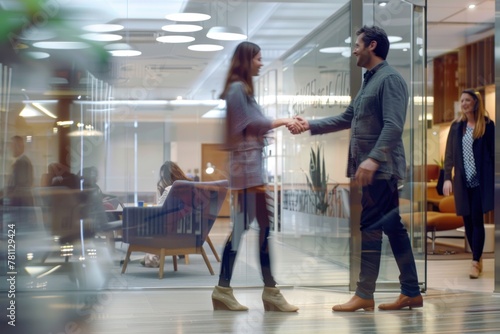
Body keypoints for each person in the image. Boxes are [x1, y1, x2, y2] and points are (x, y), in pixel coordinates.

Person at [287, 25, 423, 312]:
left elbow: (394, 126)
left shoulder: (390, 80)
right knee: (392, 228)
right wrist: (310, 124)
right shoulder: (369, 81)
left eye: (357, 44)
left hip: (381, 169)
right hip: (373, 169)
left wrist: (373, 159)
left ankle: (366, 294)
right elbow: (347, 117)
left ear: (372, 46)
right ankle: (409, 291)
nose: (354, 50)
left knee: (373, 227)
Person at [211, 41, 297, 312]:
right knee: (255, 230)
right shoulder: (238, 89)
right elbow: (249, 124)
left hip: (250, 173)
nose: (261, 63)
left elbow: (251, 126)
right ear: (247, 61)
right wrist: (282, 121)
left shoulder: (243, 90)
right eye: (258, 59)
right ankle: (259, 291)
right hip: (247, 175)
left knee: (254, 229)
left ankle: (234, 289)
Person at [442, 89, 494, 279]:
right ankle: (477, 257)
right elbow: (448, 155)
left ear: (475, 102)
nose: (464, 103)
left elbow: (494, 154)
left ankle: (474, 262)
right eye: (462, 100)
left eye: (467, 100)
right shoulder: (456, 127)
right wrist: (447, 177)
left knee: (477, 220)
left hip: (481, 182)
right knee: (467, 221)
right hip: (463, 182)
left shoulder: (487, 126)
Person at [141, 161, 192, 267]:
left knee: (151, 221)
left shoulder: (170, 188)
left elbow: (158, 209)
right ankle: (151, 256)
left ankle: (151, 257)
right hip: (189, 227)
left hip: (170, 229)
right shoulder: (190, 187)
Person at [0, 135, 34, 206]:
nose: (11, 148)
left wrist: (5, 195)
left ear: (18, 146)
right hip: (20, 204)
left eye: (12, 146)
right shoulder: (22, 161)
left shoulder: (22, 162)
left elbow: (20, 187)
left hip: (20, 204)